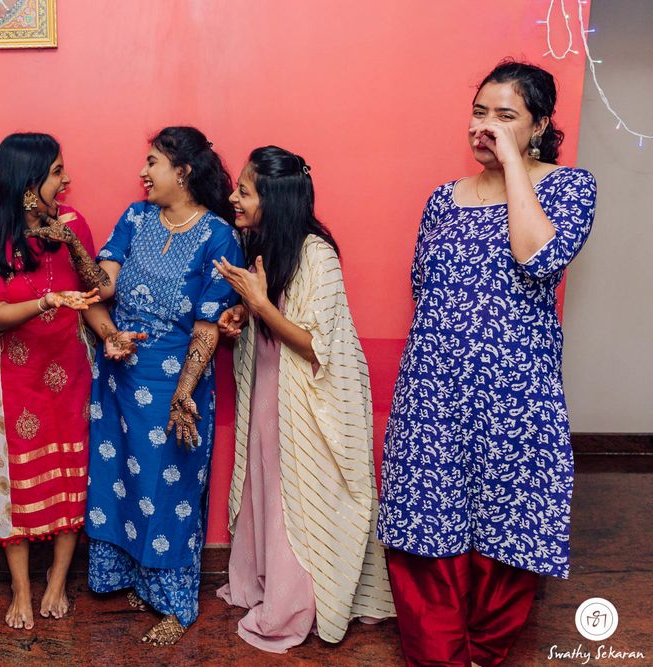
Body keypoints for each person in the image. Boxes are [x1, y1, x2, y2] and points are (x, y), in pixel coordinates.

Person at [377, 60, 597, 667]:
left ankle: (485, 650)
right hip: (435, 391)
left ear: (539, 125)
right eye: (480, 113)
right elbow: (426, 289)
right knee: (426, 523)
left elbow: (537, 259)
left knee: (512, 524)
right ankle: (439, 654)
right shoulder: (442, 200)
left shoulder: (570, 188)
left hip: (518, 395)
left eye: (505, 116)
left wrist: (515, 170)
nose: (486, 127)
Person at [213, 146, 396, 653]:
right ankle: (266, 584)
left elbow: (319, 344)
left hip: (309, 398)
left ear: (274, 198)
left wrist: (258, 304)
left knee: (299, 498)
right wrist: (242, 318)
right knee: (269, 490)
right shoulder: (264, 244)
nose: (234, 197)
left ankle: (293, 606)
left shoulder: (318, 253)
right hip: (272, 387)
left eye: (245, 191)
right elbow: (271, 316)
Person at [83, 126, 244, 645]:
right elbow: (100, 290)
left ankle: (174, 602)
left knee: (169, 487)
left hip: (177, 384)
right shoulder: (134, 218)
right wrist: (110, 336)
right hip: (119, 374)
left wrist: (184, 393)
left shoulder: (219, 235)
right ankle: (137, 580)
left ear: (183, 171)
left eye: (152, 162)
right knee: (121, 481)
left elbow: (207, 325)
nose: (142, 173)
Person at [0, 133, 103, 631]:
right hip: (10, 376)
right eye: (57, 172)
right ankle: (20, 587)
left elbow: (97, 288)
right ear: (27, 181)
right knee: (10, 480)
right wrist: (48, 302)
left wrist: (72, 246)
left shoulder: (71, 223)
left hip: (70, 368)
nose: (67, 181)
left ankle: (57, 580)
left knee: (71, 474)